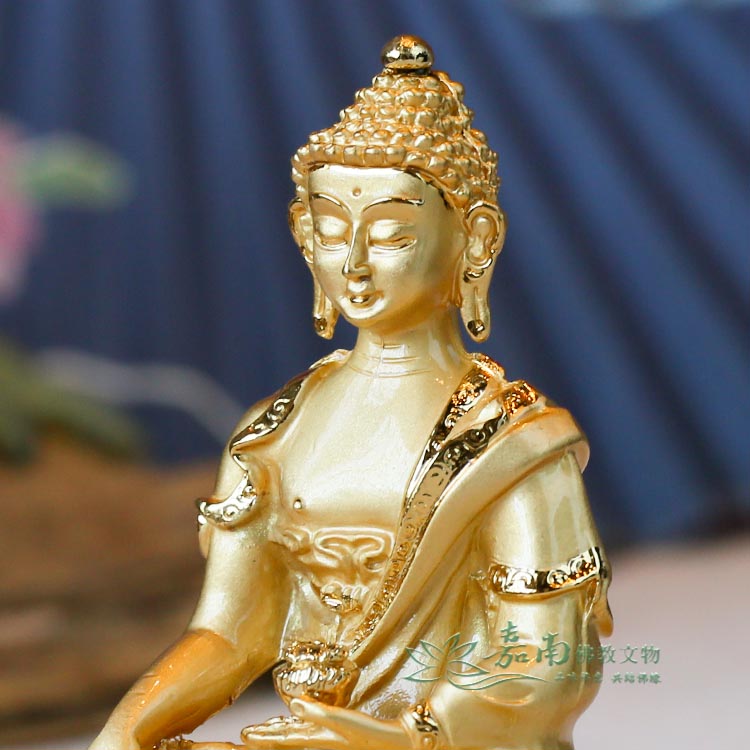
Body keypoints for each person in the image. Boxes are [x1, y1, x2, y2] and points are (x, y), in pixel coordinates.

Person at [90, 35, 612, 750]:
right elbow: (229, 635)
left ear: (476, 240)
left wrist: (401, 737)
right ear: (304, 236)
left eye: (392, 235)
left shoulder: (512, 440)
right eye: (333, 233)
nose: (356, 264)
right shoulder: (274, 431)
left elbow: (546, 662)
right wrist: (125, 731)